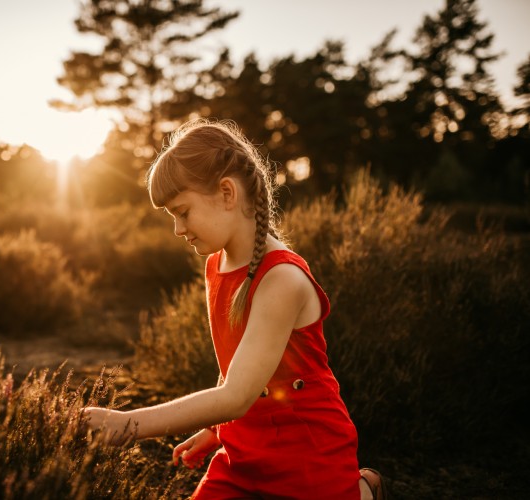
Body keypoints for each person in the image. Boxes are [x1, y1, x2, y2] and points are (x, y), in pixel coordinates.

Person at [83, 119, 387, 500]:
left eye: (183, 211)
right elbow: (235, 368)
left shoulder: (282, 280)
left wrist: (127, 424)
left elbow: (236, 395)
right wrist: (217, 429)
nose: (178, 229)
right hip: (243, 452)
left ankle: (362, 488)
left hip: (308, 455)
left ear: (227, 193)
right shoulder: (216, 265)